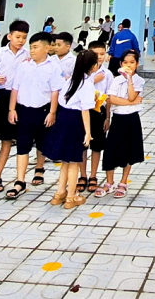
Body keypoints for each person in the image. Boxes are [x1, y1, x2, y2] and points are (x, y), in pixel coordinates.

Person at [3, 31, 64, 200]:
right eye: (31, 47)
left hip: (43, 110)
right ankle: (20, 180)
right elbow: (15, 88)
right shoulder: (24, 65)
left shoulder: (53, 67)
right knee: (22, 145)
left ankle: (39, 168)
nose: (32, 51)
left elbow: (55, 91)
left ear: (46, 48)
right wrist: (12, 109)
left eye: (36, 47)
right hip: (24, 110)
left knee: (42, 144)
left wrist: (52, 112)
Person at [44, 49, 98, 209]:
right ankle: (71, 196)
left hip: (63, 118)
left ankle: (59, 193)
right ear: (93, 66)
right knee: (75, 160)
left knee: (65, 161)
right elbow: (85, 110)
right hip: (76, 121)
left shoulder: (68, 81)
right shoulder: (87, 84)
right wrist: (88, 132)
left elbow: (61, 100)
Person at [0, 19, 30, 192]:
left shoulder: (27, 55)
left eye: (24, 37)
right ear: (10, 36)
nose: (20, 40)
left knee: (7, 138)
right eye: (18, 37)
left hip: (15, 97)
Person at [98, 50, 146, 199]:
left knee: (130, 150)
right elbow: (111, 99)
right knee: (111, 149)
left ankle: (123, 182)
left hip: (131, 118)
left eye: (132, 62)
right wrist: (130, 102)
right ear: (120, 64)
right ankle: (109, 182)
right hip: (117, 118)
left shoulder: (139, 80)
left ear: (137, 64)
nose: (128, 65)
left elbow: (132, 95)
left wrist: (130, 79)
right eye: (125, 62)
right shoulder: (115, 79)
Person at [82, 41, 110, 194]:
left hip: (99, 112)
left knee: (97, 145)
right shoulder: (82, 72)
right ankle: (83, 175)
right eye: (95, 54)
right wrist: (92, 79)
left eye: (102, 54)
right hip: (83, 111)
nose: (99, 57)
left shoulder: (108, 74)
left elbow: (109, 97)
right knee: (82, 144)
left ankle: (93, 175)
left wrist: (107, 118)